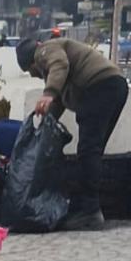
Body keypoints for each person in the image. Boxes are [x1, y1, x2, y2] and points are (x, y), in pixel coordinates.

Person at [17, 36, 128, 230]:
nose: (34, 76)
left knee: (88, 150)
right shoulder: (57, 63)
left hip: (100, 87)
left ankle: (89, 211)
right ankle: (86, 207)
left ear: (32, 61)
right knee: (93, 151)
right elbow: (58, 103)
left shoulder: (46, 50)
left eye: (30, 71)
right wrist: (44, 125)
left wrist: (48, 93)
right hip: (114, 87)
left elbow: (59, 65)